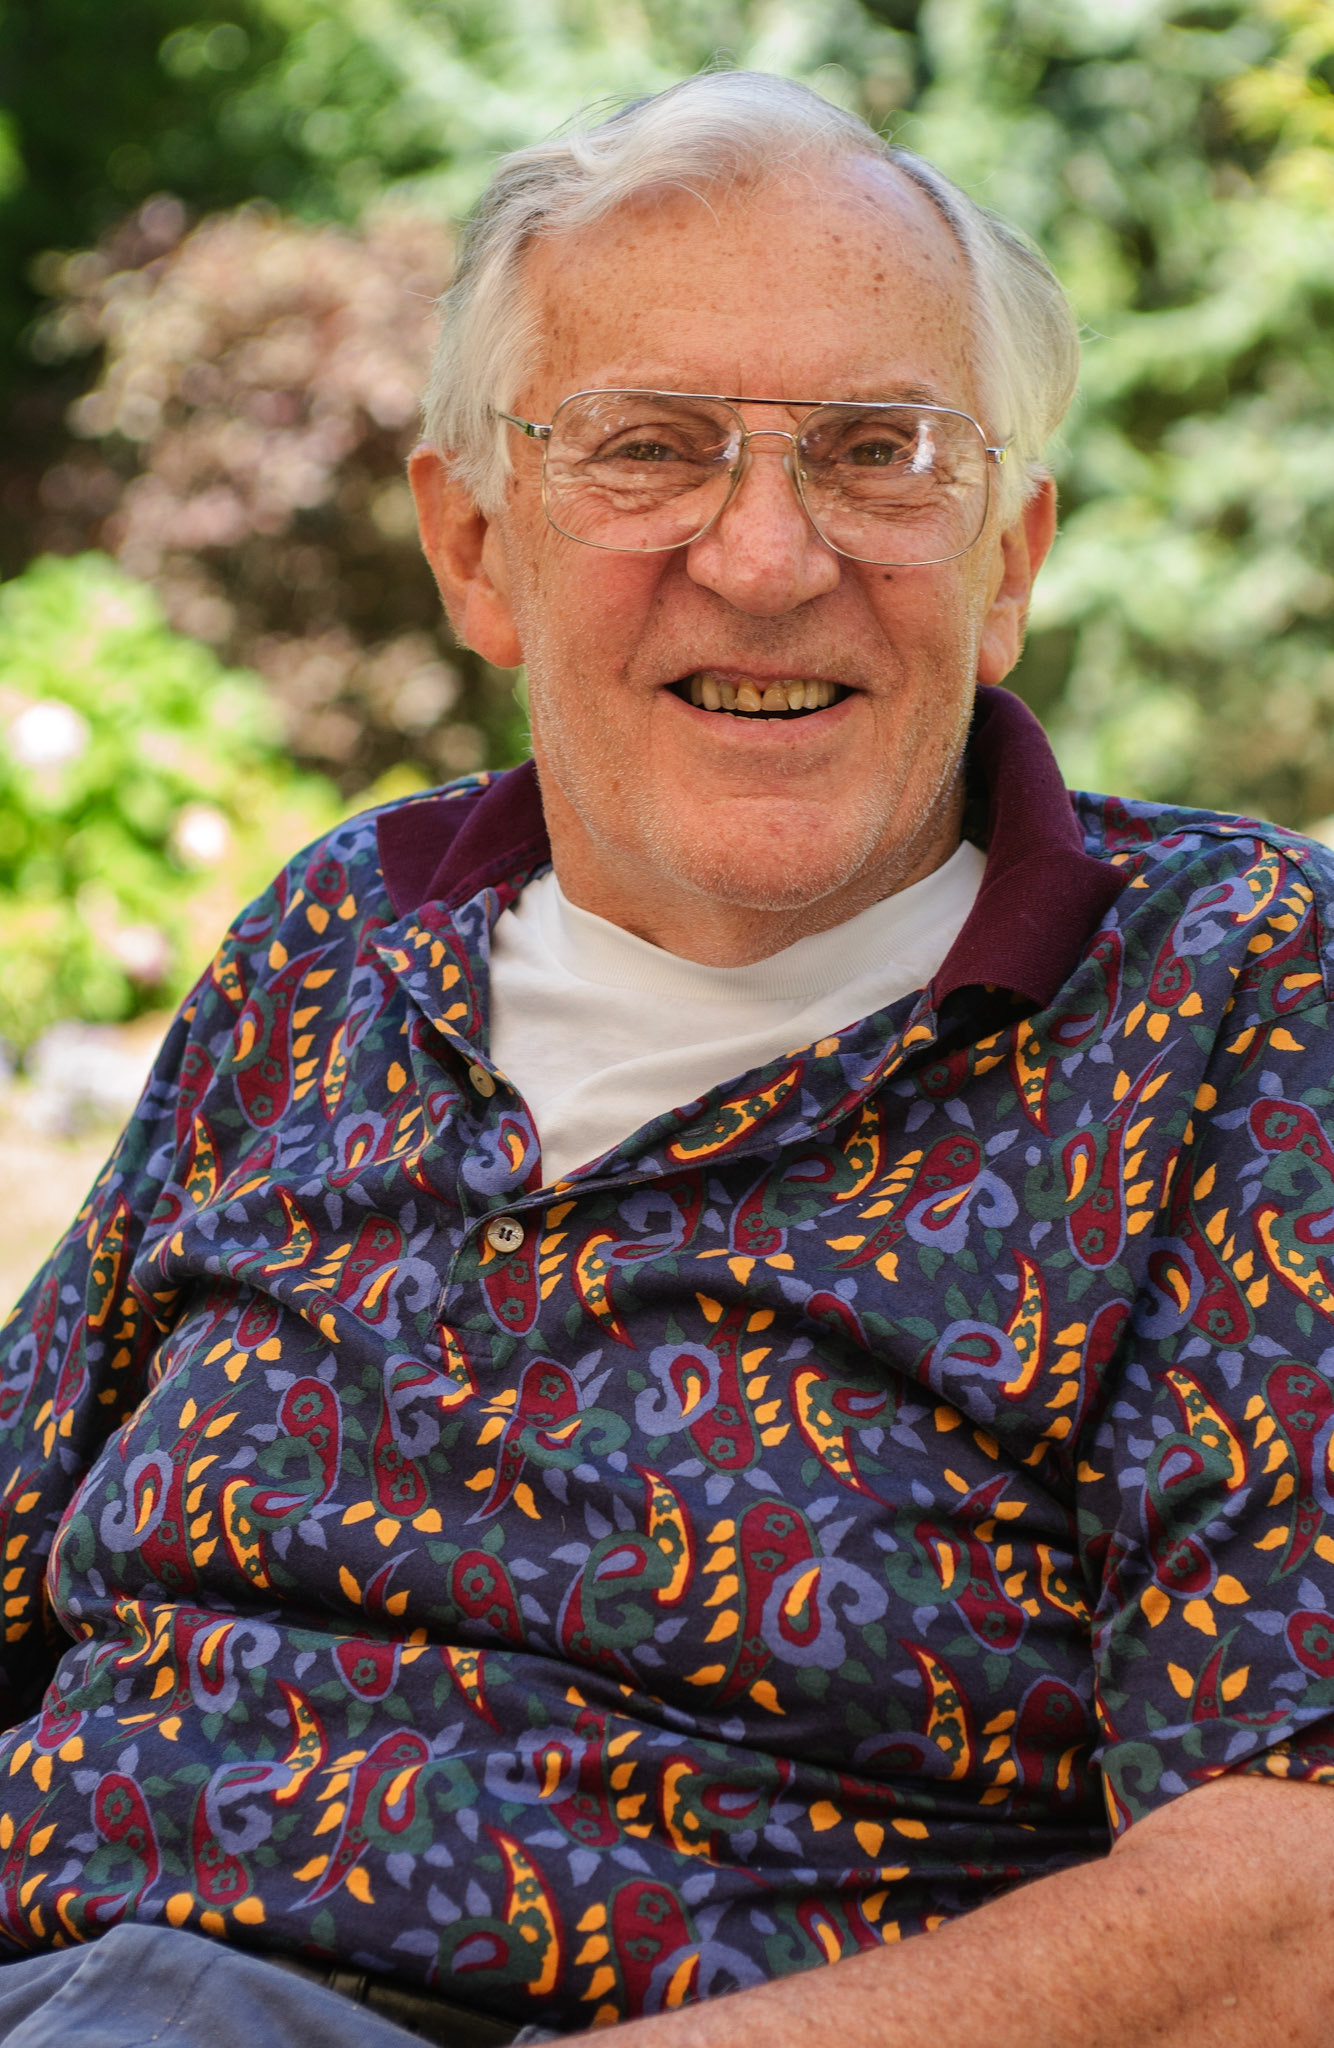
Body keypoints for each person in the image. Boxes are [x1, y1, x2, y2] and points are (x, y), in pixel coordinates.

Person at [0, 66, 1329, 2048]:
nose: (768, 556)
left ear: (1005, 561)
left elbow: (1292, 1886)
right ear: (474, 548)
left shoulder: (1230, 995)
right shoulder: (340, 937)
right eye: (651, 448)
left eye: (877, 452)